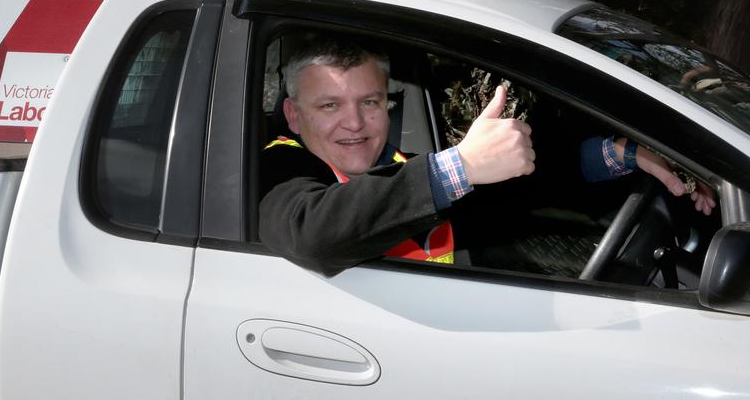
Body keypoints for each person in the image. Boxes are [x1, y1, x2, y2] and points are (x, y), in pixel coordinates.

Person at [258, 38, 716, 276]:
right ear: (294, 116)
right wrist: (460, 166)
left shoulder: (402, 167)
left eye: (370, 102)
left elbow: (521, 187)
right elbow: (311, 233)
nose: (355, 123)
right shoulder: (276, 168)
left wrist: (624, 154)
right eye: (331, 106)